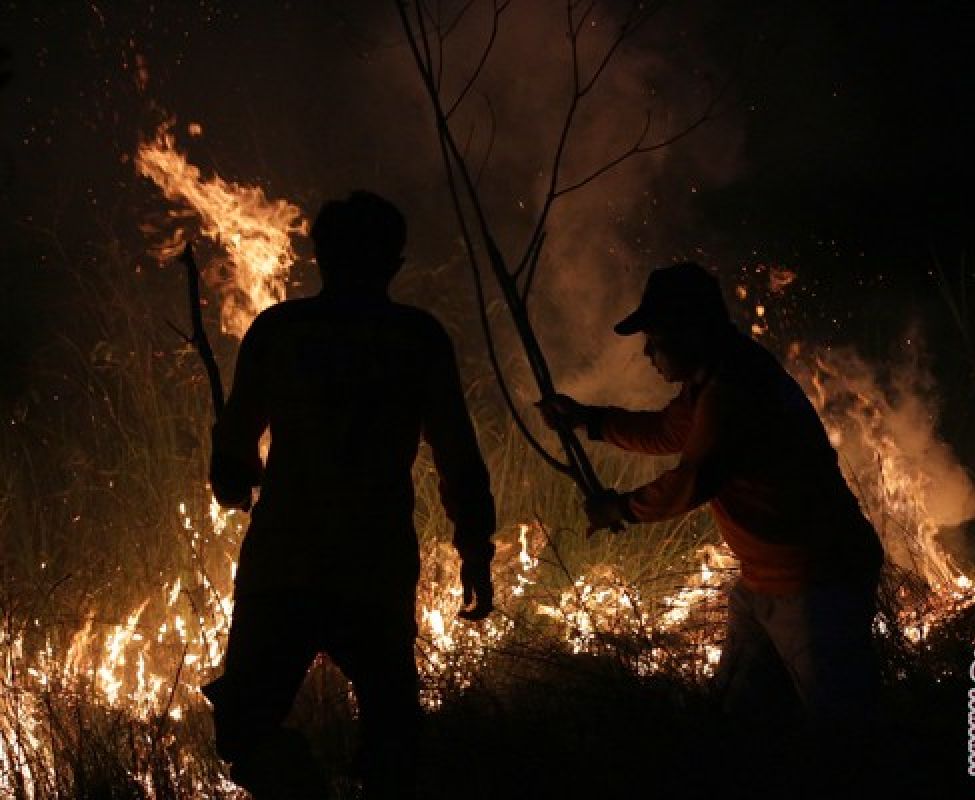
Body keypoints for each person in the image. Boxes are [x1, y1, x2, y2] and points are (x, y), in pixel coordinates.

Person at [203, 191, 496, 799]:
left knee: (245, 725)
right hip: (373, 567)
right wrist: (475, 547)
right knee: (392, 735)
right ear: (396, 261)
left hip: (284, 564)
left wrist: (235, 475)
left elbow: (232, 456)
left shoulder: (281, 331)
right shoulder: (416, 338)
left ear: (321, 257)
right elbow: (457, 456)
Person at [537, 262, 884, 739]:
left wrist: (619, 508)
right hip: (766, 581)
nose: (647, 352)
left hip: (814, 581)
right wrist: (588, 420)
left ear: (692, 331)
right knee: (741, 723)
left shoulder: (733, 388)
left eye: (656, 339)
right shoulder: (714, 375)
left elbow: (694, 480)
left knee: (845, 733)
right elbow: (666, 431)